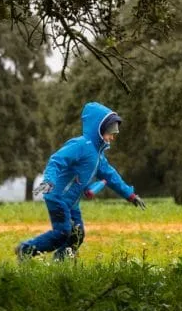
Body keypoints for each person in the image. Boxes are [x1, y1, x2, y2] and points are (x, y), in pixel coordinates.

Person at [16, 101, 146, 261]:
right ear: (99, 128)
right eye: (111, 131)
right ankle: (25, 250)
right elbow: (56, 161)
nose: (113, 136)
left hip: (71, 203)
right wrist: (48, 181)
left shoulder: (98, 156)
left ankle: (60, 264)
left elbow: (111, 176)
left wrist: (130, 195)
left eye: (115, 132)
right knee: (63, 232)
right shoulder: (81, 145)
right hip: (57, 197)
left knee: (77, 235)